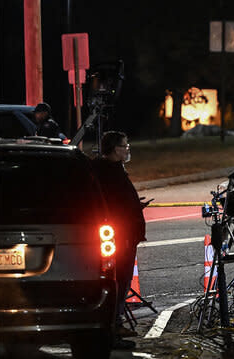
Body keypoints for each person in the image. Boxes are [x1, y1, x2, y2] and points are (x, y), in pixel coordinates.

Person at [90, 131, 147, 350]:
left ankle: (115, 325)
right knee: (119, 282)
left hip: (123, 233)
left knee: (120, 282)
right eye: (125, 145)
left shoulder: (105, 170)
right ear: (115, 149)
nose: (127, 149)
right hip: (120, 235)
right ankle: (113, 329)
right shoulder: (109, 172)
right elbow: (115, 205)